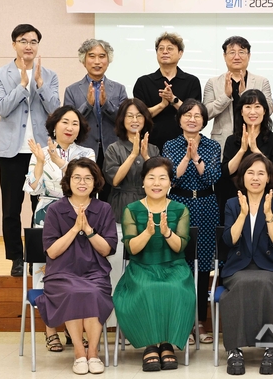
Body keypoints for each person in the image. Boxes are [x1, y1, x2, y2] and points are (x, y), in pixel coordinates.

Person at [35, 158, 117, 375]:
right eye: (77, 178)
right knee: (73, 291)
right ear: (68, 181)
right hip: (61, 273)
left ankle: (93, 353)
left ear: (95, 182)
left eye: (88, 178)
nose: (82, 182)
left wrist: (88, 230)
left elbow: (106, 249)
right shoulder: (55, 210)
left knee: (93, 292)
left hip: (95, 272)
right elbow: (52, 252)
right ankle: (80, 353)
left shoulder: (104, 209)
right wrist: (74, 229)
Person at [113, 157, 196, 372]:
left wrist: (167, 232)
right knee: (146, 288)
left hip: (174, 266)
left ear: (170, 183)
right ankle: (150, 344)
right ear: (143, 182)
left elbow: (180, 247)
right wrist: (148, 233)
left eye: (162, 178)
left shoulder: (180, 209)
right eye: (151, 178)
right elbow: (132, 249)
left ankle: (167, 344)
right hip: (141, 267)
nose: (156, 183)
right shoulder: (131, 209)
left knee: (174, 288)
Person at [0, 23, 60, 276]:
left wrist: (39, 84)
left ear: (37, 46)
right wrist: (22, 85)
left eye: (33, 41)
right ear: (14, 44)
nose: (28, 46)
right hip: (12, 152)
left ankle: (35, 257)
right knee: (11, 209)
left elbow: (56, 110)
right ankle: (16, 259)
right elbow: (1, 108)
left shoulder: (49, 75)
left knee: (39, 206)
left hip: (41, 152)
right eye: (23, 41)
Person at [24, 105, 95, 351]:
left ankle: (74, 330)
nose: (69, 127)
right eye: (65, 122)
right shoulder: (40, 151)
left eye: (75, 123)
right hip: (47, 214)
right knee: (46, 272)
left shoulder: (86, 153)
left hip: (77, 213)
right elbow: (32, 188)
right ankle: (50, 329)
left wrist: (59, 162)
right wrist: (41, 163)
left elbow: (87, 182)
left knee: (75, 272)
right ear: (54, 125)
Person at [221, 154, 273, 375]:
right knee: (242, 283)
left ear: (269, 177)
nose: (255, 178)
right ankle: (234, 350)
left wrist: (269, 215)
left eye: (261, 173)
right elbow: (229, 240)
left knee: (267, 283)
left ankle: (272, 349)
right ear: (243, 176)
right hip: (238, 266)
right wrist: (242, 215)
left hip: (270, 266)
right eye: (250, 173)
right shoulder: (232, 203)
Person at [162, 99, 221, 344]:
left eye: (197, 115)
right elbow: (171, 178)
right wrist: (187, 158)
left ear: (204, 120)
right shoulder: (170, 145)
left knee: (203, 265)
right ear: (180, 119)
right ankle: (182, 322)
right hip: (179, 204)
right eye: (187, 115)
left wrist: (196, 157)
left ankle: (200, 322)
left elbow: (212, 177)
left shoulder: (212, 145)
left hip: (206, 205)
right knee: (181, 262)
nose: (192, 119)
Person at [102, 98, 159, 328]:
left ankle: (143, 317)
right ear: (121, 120)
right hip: (121, 206)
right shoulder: (113, 148)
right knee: (118, 264)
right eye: (129, 116)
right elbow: (115, 180)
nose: (135, 120)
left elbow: (158, 179)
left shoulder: (153, 149)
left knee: (145, 265)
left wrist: (145, 156)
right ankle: (117, 321)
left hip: (147, 207)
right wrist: (133, 153)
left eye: (139, 115)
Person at [63, 39, 128, 201]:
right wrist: (88, 105)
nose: (97, 61)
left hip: (112, 152)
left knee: (110, 198)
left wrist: (106, 105)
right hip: (83, 150)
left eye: (102, 56)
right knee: (83, 196)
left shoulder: (119, 89)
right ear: (83, 60)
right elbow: (69, 123)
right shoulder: (71, 90)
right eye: (92, 56)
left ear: (108, 59)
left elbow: (123, 121)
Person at [133, 32, 202, 152]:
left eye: (169, 48)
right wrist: (162, 105)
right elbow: (139, 116)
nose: (165, 52)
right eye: (161, 49)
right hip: (151, 144)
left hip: (185, 144)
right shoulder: (143, 82)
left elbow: (195, 115)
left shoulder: (191, 81)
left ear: (180, 53)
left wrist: (173, 100)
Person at [220, 89, 273, 219]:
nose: (252, 112)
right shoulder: (232, 140)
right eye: (248, 107)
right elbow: (226, 172)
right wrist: (242, 150)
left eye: (257, 107)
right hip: (235, 197)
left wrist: (255, 149)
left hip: (266, 197)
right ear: (241, 112)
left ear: (264, 111)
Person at [203, 36, 273, 152]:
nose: (237, 57)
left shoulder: (262, 82)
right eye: (232, 52)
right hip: (223, 141)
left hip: (255, 140)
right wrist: (226, 96)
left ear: (249, 56)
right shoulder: (213, 82)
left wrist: (244, 95)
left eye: (241, 52)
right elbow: (205, 114)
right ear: (224, 56)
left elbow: (269, 109)